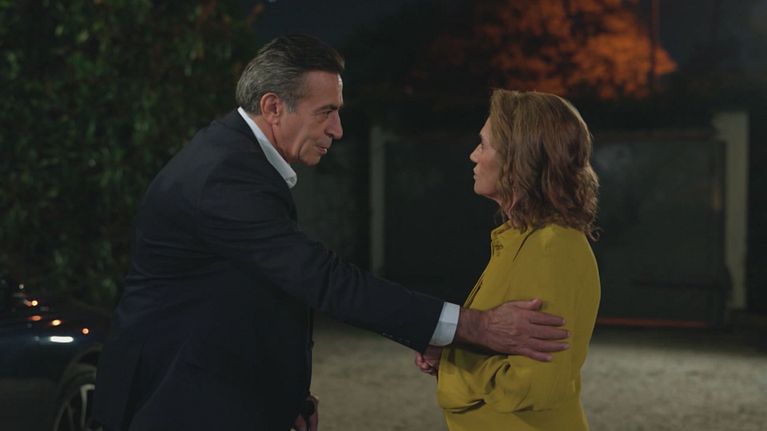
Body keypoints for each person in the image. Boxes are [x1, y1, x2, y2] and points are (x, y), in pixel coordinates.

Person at [93, 35, 570, 431]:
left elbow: (251, 299)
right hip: (175, 404)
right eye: (326, 112)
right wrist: (476, 327)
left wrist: (286, 397)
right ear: (273, 107)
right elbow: (321, 279)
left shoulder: (236, 160)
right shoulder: (224, 176)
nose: (338, 130)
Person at [415, 89, 601, 430]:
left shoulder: (550, 248)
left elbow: (534, 385)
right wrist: (450, 355)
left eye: (483, 145)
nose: (473, 155)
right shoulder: (521, 239)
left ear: (518, 159)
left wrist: (453, 363)